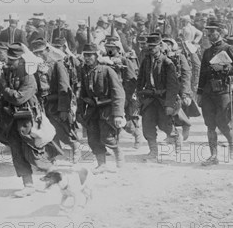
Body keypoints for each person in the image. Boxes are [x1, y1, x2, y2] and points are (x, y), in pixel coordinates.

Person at [2, 43, 56, 196]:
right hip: (13, 119)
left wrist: (6, 90)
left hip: (28, 119)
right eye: (9, 59)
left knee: (34, 152)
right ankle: (28, 185)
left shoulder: (29, 75)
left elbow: (19, 98)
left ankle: (55, 177)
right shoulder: (10, 73)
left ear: (21, 60)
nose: (9, 62)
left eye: (13, 60)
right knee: (17, 152)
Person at [196, 19, 233, 166]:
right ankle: (213, 156)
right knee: (210, 124)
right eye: (208, 32)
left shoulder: (228, 48)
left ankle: (232, 146)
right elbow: (202, 74)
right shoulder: (207, 52)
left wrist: (224, 68)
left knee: (223, 122)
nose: (209, 35)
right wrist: (199, 92)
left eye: (212, 31)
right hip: (208, 92)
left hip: (223, 91)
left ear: (220, 32)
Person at [77, 43, 126, 173]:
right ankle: (101, 164)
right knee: (93, 138)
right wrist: (80, 111)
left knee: (107, 137)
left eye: (90, 55)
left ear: (97, 56)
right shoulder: (84, 71)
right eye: (85, 55)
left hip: (107, 109)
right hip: (92, 110)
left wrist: (118, 114)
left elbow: (118, 93)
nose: (87, 58)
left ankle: (118, 154)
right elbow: (82, 93)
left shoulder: (107, 70)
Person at [31, 39, 81, 163]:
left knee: (64, 131)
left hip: (56, 104)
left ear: (47, 50)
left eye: (40, 52)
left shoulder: (57, 64)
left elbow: (64, 87)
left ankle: (76, 149)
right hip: (42, 105)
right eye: (35, 53)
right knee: (47, 132)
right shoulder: (33, 67)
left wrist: (64, 108)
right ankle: (52, 157)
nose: (38, 55)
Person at [136, 34, 180, 160]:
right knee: (147, 125)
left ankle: (176, 137)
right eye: (149, 46)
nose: (151, 49)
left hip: (163, 98)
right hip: (149, 98)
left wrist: (170, 104)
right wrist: (139, 94)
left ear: (160, 46)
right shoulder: (146, 61)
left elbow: (173, 85)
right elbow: (140, 80)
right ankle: (153, 151)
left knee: (164, 124)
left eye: (153, 46)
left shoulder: (167, 62)